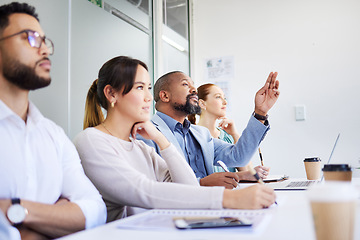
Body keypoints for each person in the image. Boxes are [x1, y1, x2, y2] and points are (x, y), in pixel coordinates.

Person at [74, 56, 276, 222]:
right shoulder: (91, 140)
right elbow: (146, 191)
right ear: (111, 94)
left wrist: (162, 141)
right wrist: (230, 198)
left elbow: (186, 187)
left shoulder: (142, 145)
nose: (147, 97)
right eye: (139, 88)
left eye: (147, 88)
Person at [0, 2, 106, 239]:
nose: (45, 50)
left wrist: (15, 211)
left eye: (44, 40)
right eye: (30, 38)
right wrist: (54, 219)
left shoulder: (53, 134)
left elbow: (96, 211)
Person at [140, 71, 279, 189]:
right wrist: (201, 184)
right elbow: (151, 188)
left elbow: (239, 157)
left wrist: (260, 112)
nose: (194, 90)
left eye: (193, 85)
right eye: (185, 84)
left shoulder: (201, 134)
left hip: (210, 208)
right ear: (165, 96)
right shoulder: (146, 134)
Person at [188, 83, 270, 178]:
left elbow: (248, 172)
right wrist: (240, 175)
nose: (225, 102)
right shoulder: (191, 137)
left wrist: (234, 134)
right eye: (218, 97)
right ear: (202, 103)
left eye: (224, 98)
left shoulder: (227, 135)